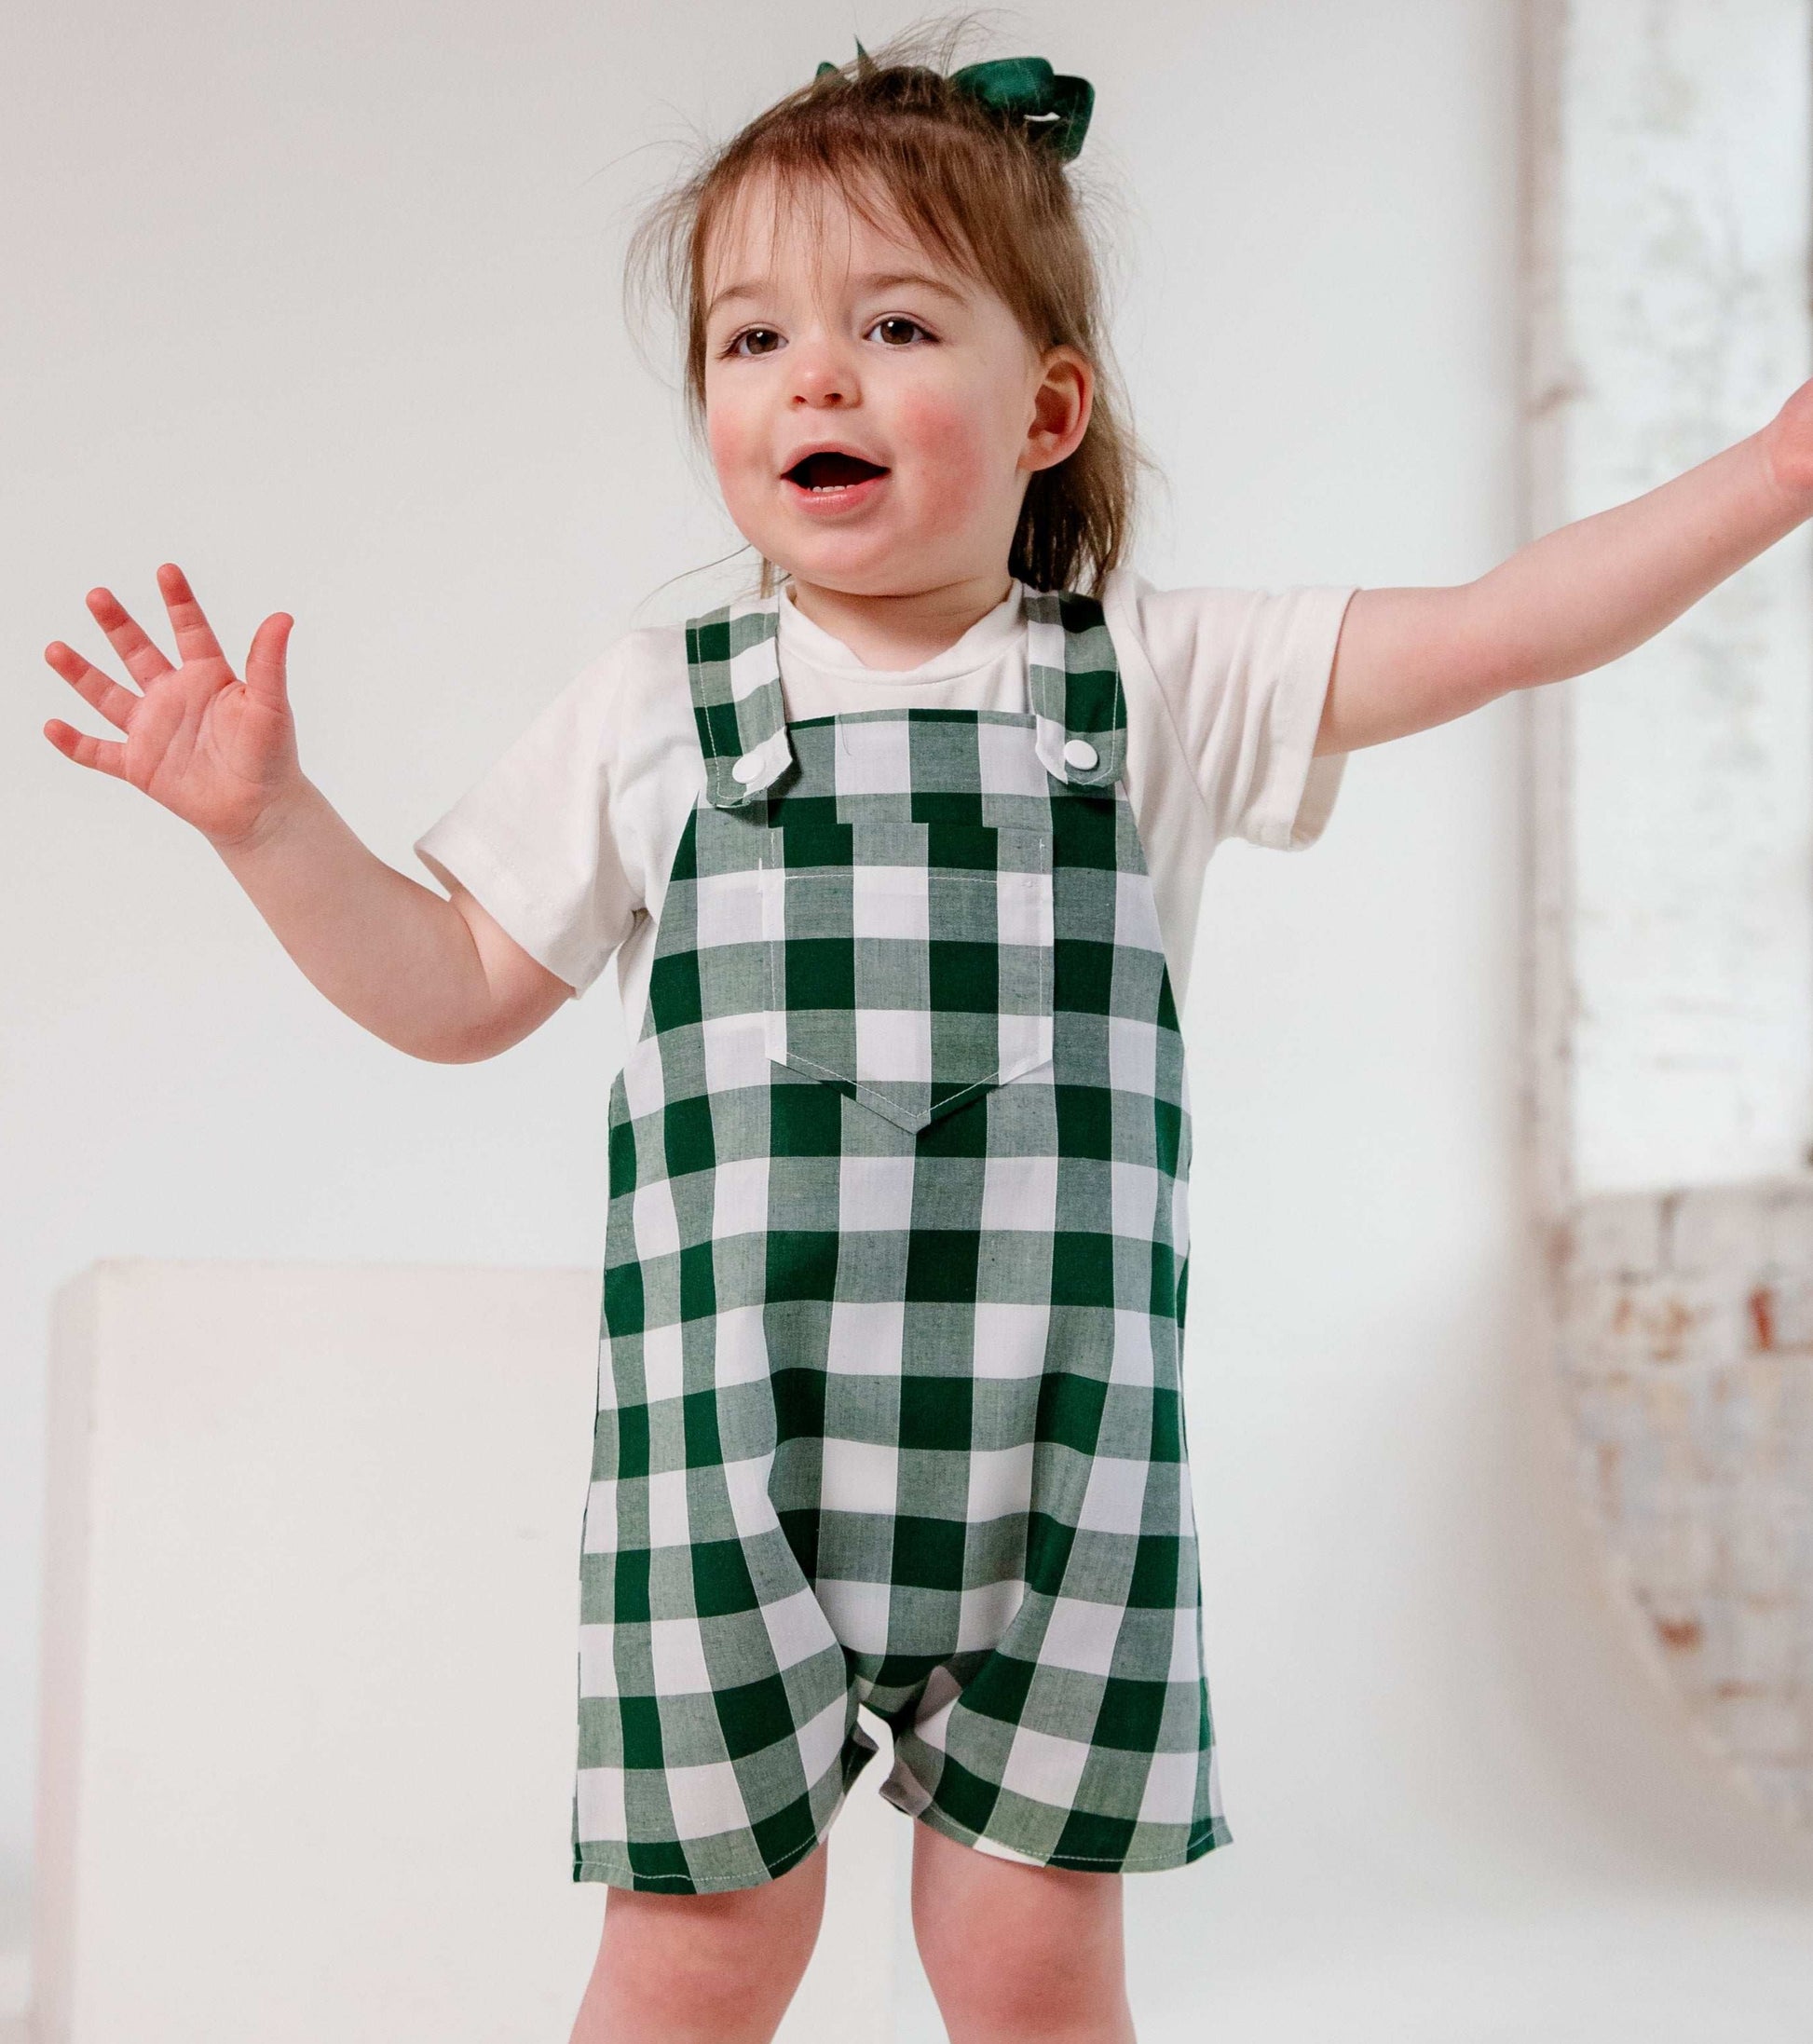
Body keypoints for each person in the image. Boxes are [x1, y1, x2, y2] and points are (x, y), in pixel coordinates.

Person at [37, 27, 1813, 2044]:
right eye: (749, 336)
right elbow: (450, 986)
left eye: (892, 323)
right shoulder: (663, 702)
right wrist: (274, 826)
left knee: (1033, 1971)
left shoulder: (1150, 675)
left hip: (1060, 1492)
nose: (813, 375)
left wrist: (1768, 473)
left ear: (1045, 403)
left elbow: (1503, 622)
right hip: (729, 1480)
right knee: (698, 1959)